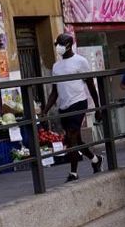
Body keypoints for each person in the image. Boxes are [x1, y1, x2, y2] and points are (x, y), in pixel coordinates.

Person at [43, 33, 103, 183]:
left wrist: (98, 108)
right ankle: (95, 159)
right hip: (64, 106)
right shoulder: (56, 66)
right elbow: (54, 92)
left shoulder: (80, 62)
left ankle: (73, 172)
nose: (58, 47)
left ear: (69, 45)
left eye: (61, 44)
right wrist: (45, 110)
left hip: (78, 102)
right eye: (57, 44)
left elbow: (90, 85)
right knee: (76, 139)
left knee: (71, 138)